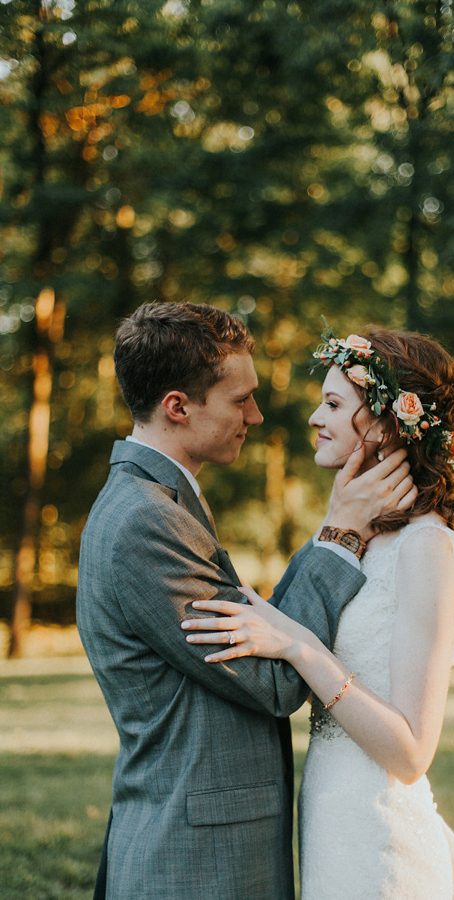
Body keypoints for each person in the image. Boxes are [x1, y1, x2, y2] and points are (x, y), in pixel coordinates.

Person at [76, 303, 417, 900]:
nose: (256, 416)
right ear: (177, 407)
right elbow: (271, 679)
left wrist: (335, 531)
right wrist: (338, 536)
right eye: (240, 400)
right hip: (194, 863)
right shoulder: (145, 520)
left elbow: (258, 623)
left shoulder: (162, 499)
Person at [182, 327, 454, 898]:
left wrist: (300, 646)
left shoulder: (426, 547)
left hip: (381, 835)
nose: (313, 417)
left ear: (382, 423)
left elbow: (410, 753)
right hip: (331, 821)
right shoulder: (364, 538)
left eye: (332, 403)